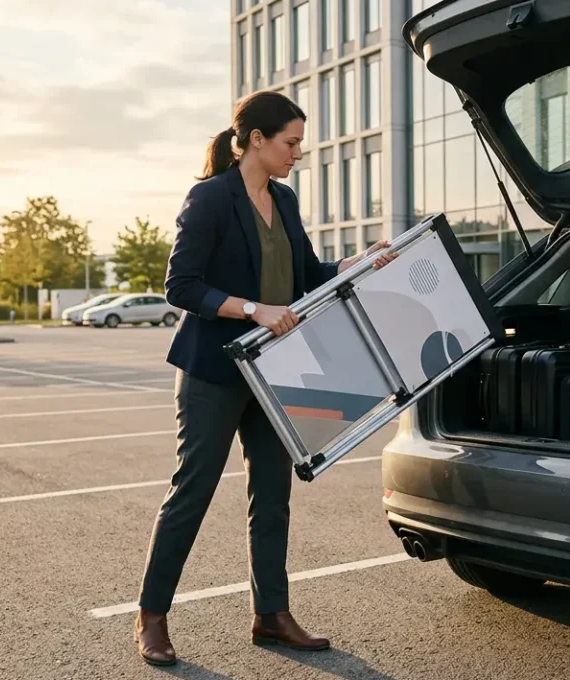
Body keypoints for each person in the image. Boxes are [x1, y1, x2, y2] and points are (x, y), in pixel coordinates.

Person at [134, 90, 396, 666]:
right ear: (256, 139)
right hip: (213, 371)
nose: (298, 153)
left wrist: (352, 264)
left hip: (272, 372)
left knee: (273, 494)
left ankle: (271, 616)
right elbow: (181, 286)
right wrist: (253, 310)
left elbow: (304, 276)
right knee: (193, 491)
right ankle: (153, 616)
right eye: (291, 142)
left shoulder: (285, 199)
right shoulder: (209, 198)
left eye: (299, 143)